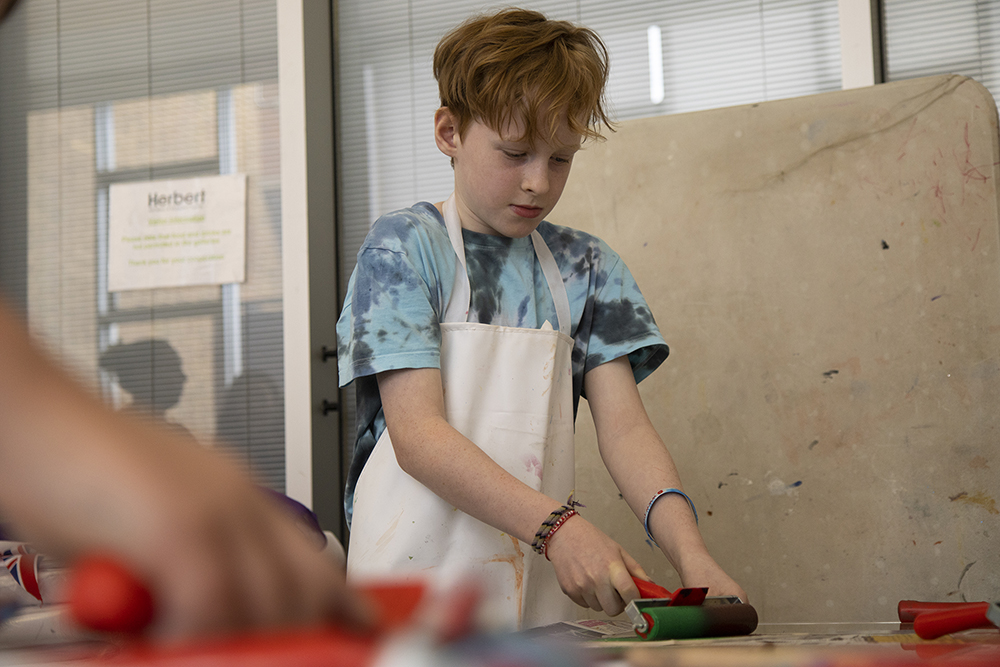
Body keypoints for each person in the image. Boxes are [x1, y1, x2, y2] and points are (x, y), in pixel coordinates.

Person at [337, 8, 746, 629]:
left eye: (560, 158)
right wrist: (558, 528)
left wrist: (694, 559)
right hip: (409, 596)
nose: (537, 182)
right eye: (515, 152)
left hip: (534, 602)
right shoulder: (403, 249)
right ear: (449, 132)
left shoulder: (587, 267)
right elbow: (418, 436)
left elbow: (625, 433)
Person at [0, 300, 366, 639]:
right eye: (176, 369)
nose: (185, 379)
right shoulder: (139, 454)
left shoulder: (157, 443)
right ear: (148, 377)